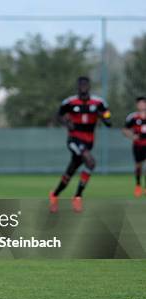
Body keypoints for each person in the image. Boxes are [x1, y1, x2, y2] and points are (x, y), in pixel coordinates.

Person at [49, 76, 111, 213]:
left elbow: (107, 116)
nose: (83, 87)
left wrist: (104, 117)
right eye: (80, 84)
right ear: (77, 87)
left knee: (70, 172)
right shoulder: (70, 102)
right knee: (90, 162)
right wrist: (66, 123)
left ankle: (54, 195)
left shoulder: (98, 102)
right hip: (74, 139)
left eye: (85, 84)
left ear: (89, 86)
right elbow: (58, 115)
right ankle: (77, 197)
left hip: (89, 141)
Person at [122, 96, 146, 197]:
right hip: (138, 146)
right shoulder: (132, 117)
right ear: (137, 105)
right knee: (138, 167)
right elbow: (125, 130)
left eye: (143, 103)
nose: (141, 105)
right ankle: (138, 186)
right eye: (139, 103)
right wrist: (133, 136)